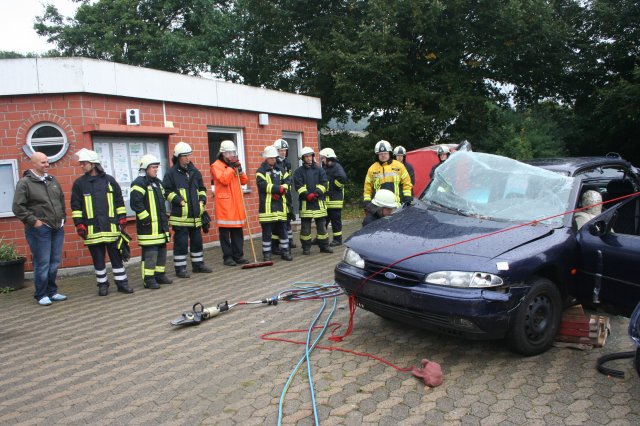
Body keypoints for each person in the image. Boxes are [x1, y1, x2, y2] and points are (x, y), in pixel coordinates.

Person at [71, 149, 133, 296]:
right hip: (92, 229)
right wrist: (79, 224)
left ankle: (122, 283)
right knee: (98, 260)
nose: (82, 166)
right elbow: (76, 206)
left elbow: (119, 201)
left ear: (93, 164)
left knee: (116, 258)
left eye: (84, 163)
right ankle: (102, 285)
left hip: (111, 227)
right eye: (81, 164)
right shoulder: (79, 184)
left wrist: (122, 218)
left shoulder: (110, 181)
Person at [12, 152, 67, 306]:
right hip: (39, 229)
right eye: (43, 162)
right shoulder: (24, 183)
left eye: (47, 161)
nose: (47, 165)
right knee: (42, 262)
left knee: (54, 262)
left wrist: (63, 217)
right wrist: (34, 222)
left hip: (57, 227)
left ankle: (52, 292)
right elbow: (18, 207)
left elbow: (61, 200)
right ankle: (41, 294)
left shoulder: (52, 180)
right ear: (34, 164)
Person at [163, 141, 212, 277]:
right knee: (181, 244)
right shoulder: (171, 173)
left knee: (197, 242)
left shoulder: (194, 172)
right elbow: (166, 191)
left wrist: (202, 200)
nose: (188, 158)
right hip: (180, 217)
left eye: (189, 155)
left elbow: (201, 188)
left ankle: (198, 265)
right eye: (185, 156)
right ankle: (180, 269)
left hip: (196, 216)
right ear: (178, 157)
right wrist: (178, 200)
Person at [130, 154, 172, 289]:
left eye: (157, 167)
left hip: (160, 226)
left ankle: (160, 275)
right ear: (145, 168)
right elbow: (136, 203)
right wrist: (146, 219)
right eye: (153, 167)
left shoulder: (157, 183)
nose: (156, 170)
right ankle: (148, 279)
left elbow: (164, 198)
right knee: (150, 254)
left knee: (161, 251)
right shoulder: (139, 183)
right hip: (148, 227)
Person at [210, 140, 249, 266]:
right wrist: (232, 168)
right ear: (223, 153)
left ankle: (238, 255)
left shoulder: (233, 165)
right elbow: (224, 180)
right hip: (225, 205)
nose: (231, 155)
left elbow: (244, 181)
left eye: (233, 152)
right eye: (229, 153)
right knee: (225, 234)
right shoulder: (216, 166)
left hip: (236, 203)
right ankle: (227, 257)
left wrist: (240, 170)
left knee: (238, 232)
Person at [257, 145, 293, 261]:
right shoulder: (261, 171)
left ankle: (285, 252)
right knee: (267, 233)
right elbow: (262, 185)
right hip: (267, 208)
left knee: (283, 231)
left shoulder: (280, 169)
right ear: (266, 158)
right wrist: (278, 189)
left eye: (275, 158)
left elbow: (288, 180)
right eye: (271, 158)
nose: (274, 160)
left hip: (280, 206)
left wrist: (284, 188)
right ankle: (267, 254)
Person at [293, 147, 332, 255]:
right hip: (306, 203)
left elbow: (325, 184)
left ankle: (324, 246)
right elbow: (298, 186)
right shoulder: (298, 172)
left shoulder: (320, 170)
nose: (309, 158)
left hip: (319, 202)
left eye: (310, 156)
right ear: (303, 158)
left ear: (313, 157)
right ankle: (306, 247)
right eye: (306, 156)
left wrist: (316, 193)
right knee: (305, 229)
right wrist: (307, 195)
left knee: (322, 228)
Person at [363, 140, 413, 208]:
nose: (383, 155)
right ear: (377, 155)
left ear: (389, 153)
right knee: (368, 219)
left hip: (395, 205)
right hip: (378, 206)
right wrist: (367, 201)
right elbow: (367, 187)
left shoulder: (399, 166)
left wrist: (407, 196)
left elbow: (407, 183)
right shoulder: (372, 169)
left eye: (385, 153)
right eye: (380, 154)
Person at [319, 147, 348, 247]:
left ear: (328, 158)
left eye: (323, 158)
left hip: (335, 200)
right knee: (324, 219)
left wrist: (334, 186)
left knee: (335, 220)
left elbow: (343, 179)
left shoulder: (336, 167)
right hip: (328, 200)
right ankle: (321, 237)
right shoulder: (327, 167)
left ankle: (338, 239)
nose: (322, 160)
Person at [273, 138, 296, 251]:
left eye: (285, 150)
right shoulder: (274, 163)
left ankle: (289, 240)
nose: (283, 152)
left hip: (287, 193)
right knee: (278, 220)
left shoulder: (287, 162)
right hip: (278, 193)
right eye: (281, 150)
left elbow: (289, 178)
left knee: (288, 217)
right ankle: (276, 244)